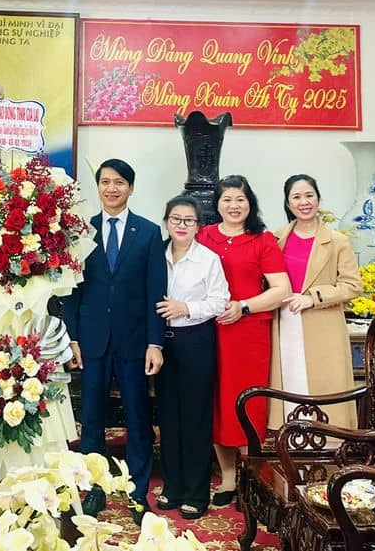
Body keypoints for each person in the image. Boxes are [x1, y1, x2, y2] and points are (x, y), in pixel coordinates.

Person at [61, 158, 167, 525]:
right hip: (92, 342)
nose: (111, 188)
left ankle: (138, 492)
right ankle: (95, 489)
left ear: (131, 188)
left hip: (135, 343)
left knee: (138, 420)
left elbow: (157, 291)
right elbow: (72, 291)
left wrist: (156, 343)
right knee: (91, 420)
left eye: (119, 182)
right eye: (105, 182)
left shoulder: (149, 232)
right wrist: (71, 337)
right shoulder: (82, 232)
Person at [196, 175, 291, 506]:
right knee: (215, 401)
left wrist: (244, 306)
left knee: (246, 403)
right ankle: (228, 477)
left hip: (247, 332)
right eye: (227, 199)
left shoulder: (262, 240)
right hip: (208, 329)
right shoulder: (203, 236)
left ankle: (252, 477)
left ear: (249, 203)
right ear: (217, 204)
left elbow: (282, 290)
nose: (234, 206)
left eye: (240, 199)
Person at [154, 195, 230, 520]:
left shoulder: (208, 259)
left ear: (199, 226)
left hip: (195, 340)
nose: (182, 225)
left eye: (189, 220)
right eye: (176, 219)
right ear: (167, 222)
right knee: (168, 418)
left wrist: (186, 308)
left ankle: (197, 493)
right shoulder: (156, 255)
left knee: (196, 419)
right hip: (160, 343)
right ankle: (172, 486)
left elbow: (220, 301)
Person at [269, 175, 362, 430]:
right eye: (296, 197)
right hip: (284, 321)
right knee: (289, 381)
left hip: (322, 324)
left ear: (318, 199)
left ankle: (329, 440)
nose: (304, 202)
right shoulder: (276, 238)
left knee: (325, 383)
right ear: (288, 204)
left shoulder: (337, 241)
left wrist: (313, 298)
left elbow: (353, 285)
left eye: (309, 195)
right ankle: (290, 439)